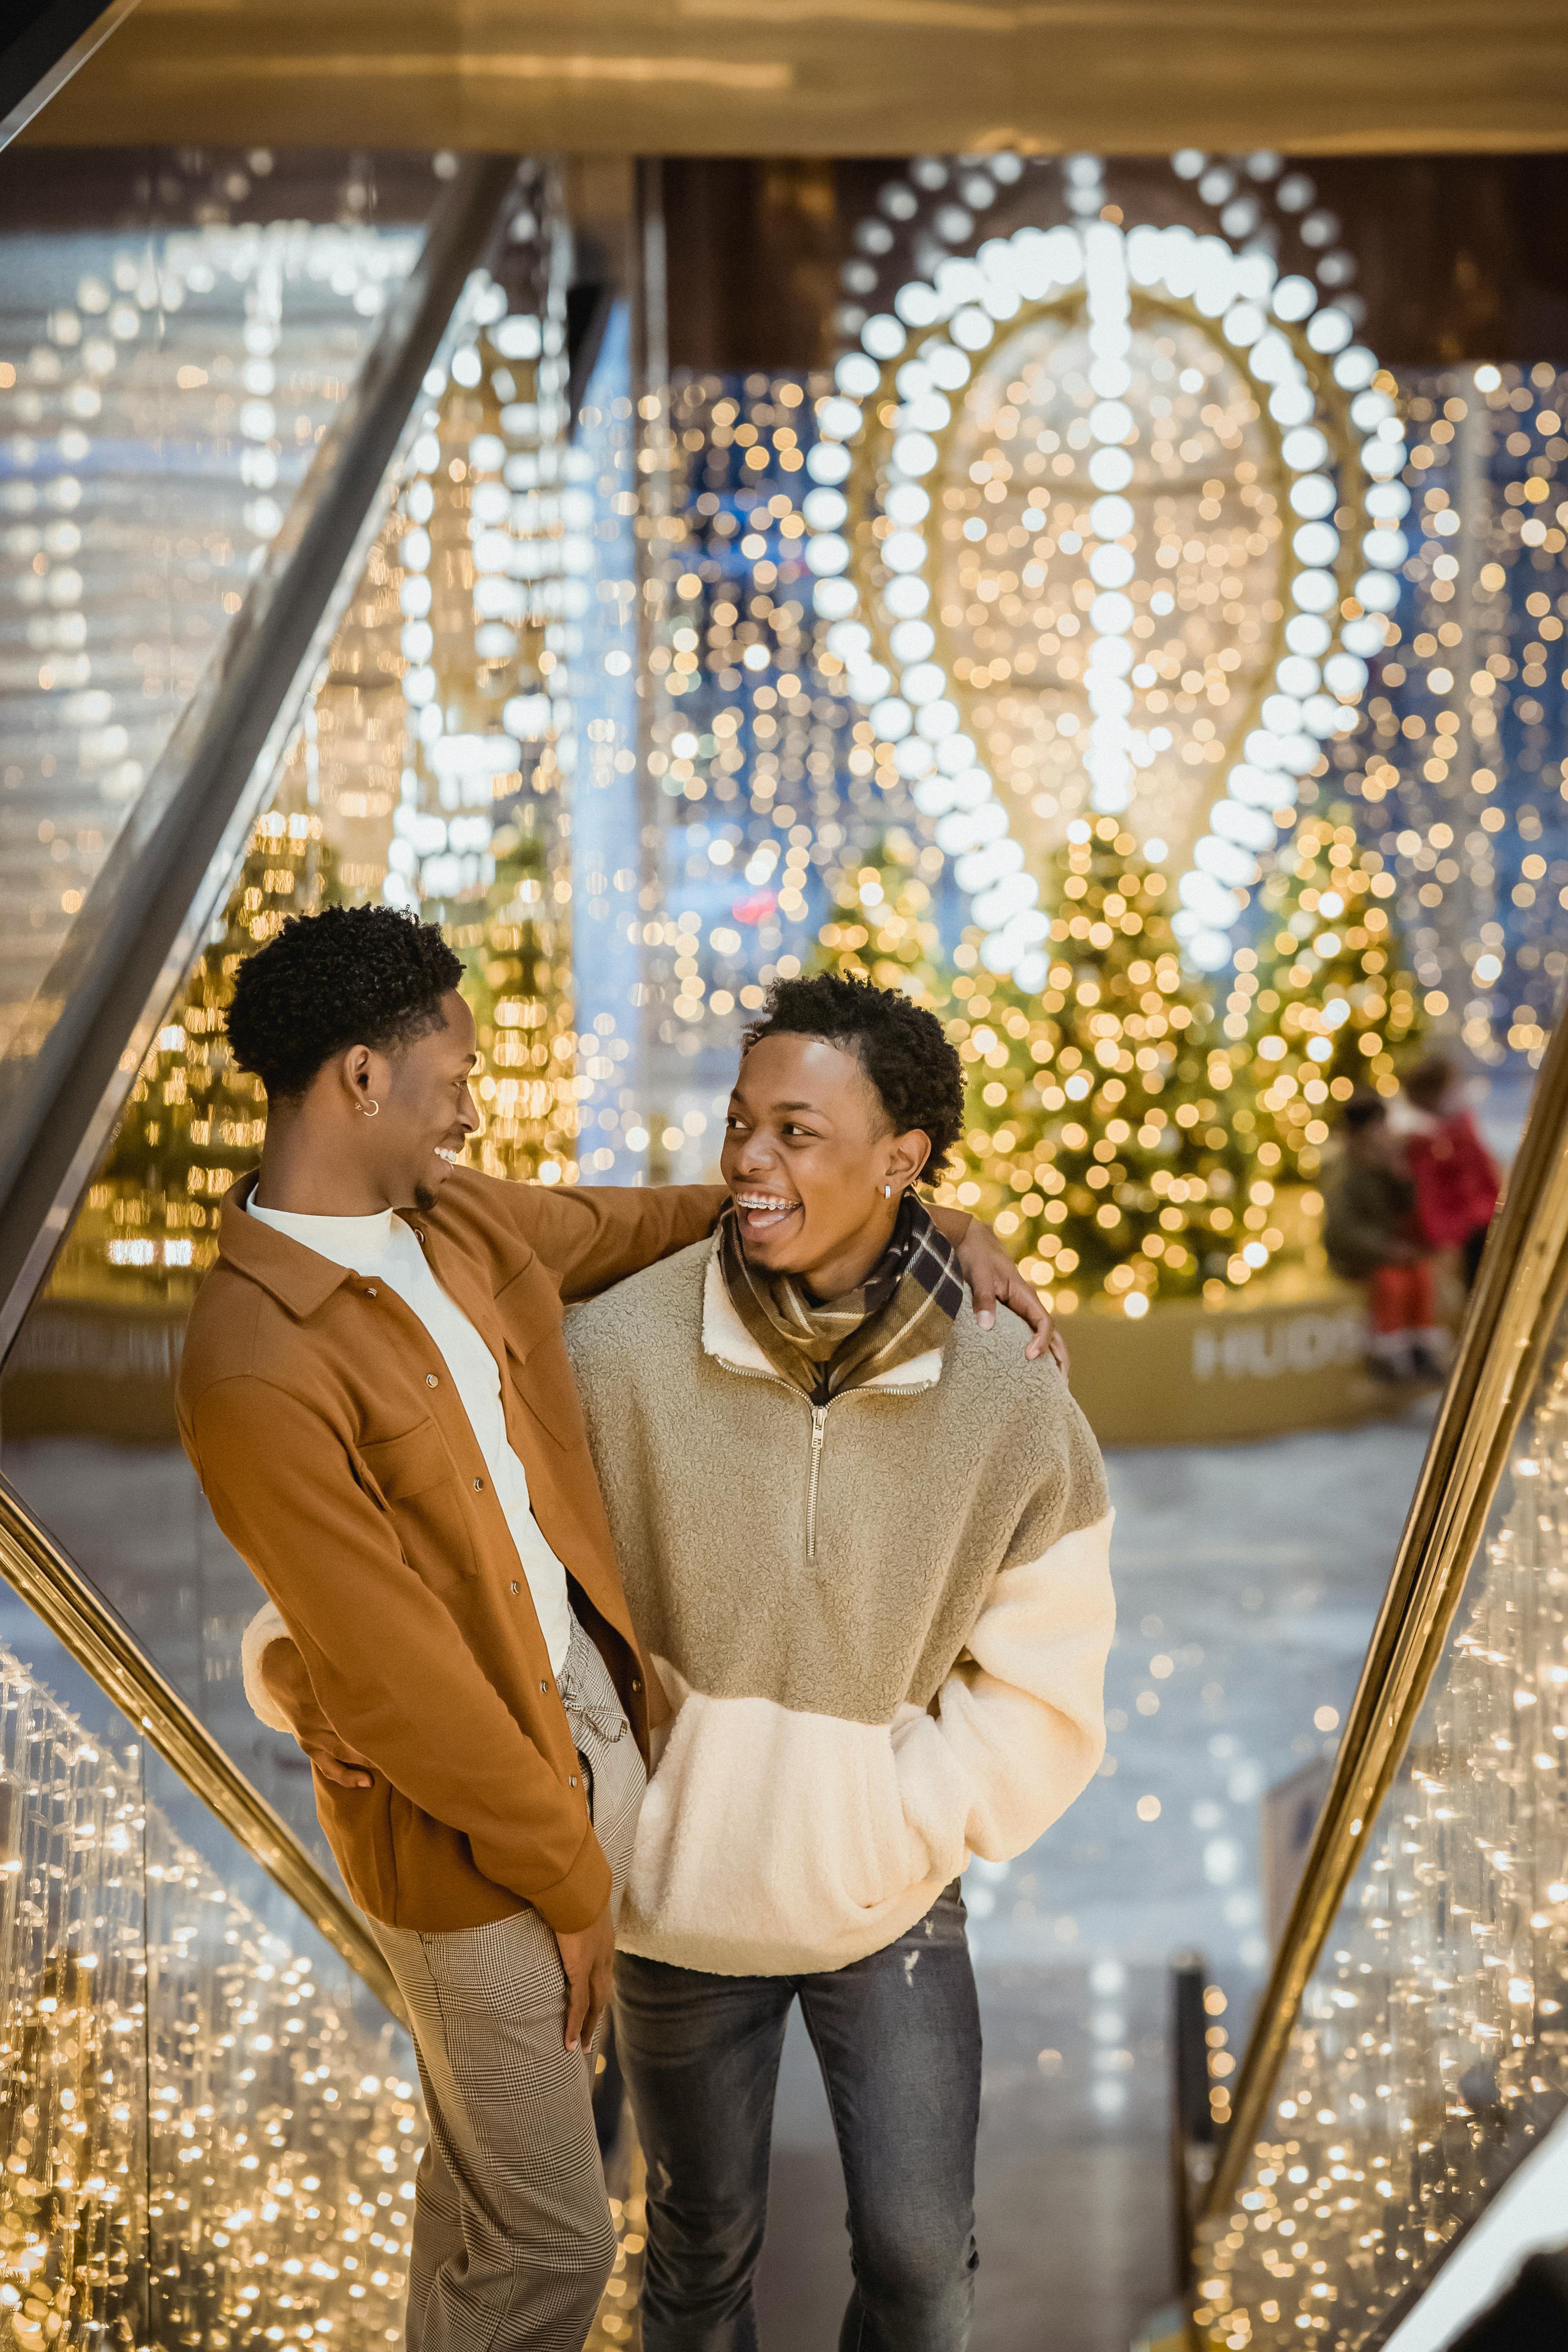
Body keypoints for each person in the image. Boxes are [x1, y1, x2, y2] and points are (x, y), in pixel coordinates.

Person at [183, 904, 1052, 2352]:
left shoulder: (454, 1219)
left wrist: (931, 1215)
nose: (472, 1089)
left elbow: (683, 1219)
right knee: (552, 2238)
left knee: (492, 2205)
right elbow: (397, 1680)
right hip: (465, 1828)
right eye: (451, 1061)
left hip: (586, 1758)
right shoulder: (254, 1356)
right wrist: (575, 1876)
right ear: (357, 1077)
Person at [1322, 1091, 1443, 1382]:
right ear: (1360, 1133)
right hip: (1357, 1253)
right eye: (1378, 1128)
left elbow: (1408, 1208)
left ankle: (1418, 1349)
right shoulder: (1342, 1169)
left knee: (1420, 1274)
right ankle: (1389, 1355)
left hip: (1389, 1247)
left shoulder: (1387, 1164)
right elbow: (1341, 1228)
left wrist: (1401, 1174)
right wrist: (1385, 1248)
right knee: (1392, 1282)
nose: (1385, 1135)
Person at [1402, 1052, 1500, 1290]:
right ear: (1434, 1098)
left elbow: (1485, 1178)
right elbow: (1433, 1197)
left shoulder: (1462, 1130)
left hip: (1484, 1220)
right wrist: (1448, 1236)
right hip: (1463, 1233)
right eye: (1452, 1088)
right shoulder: (1430, 1144)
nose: (1461, 1092)